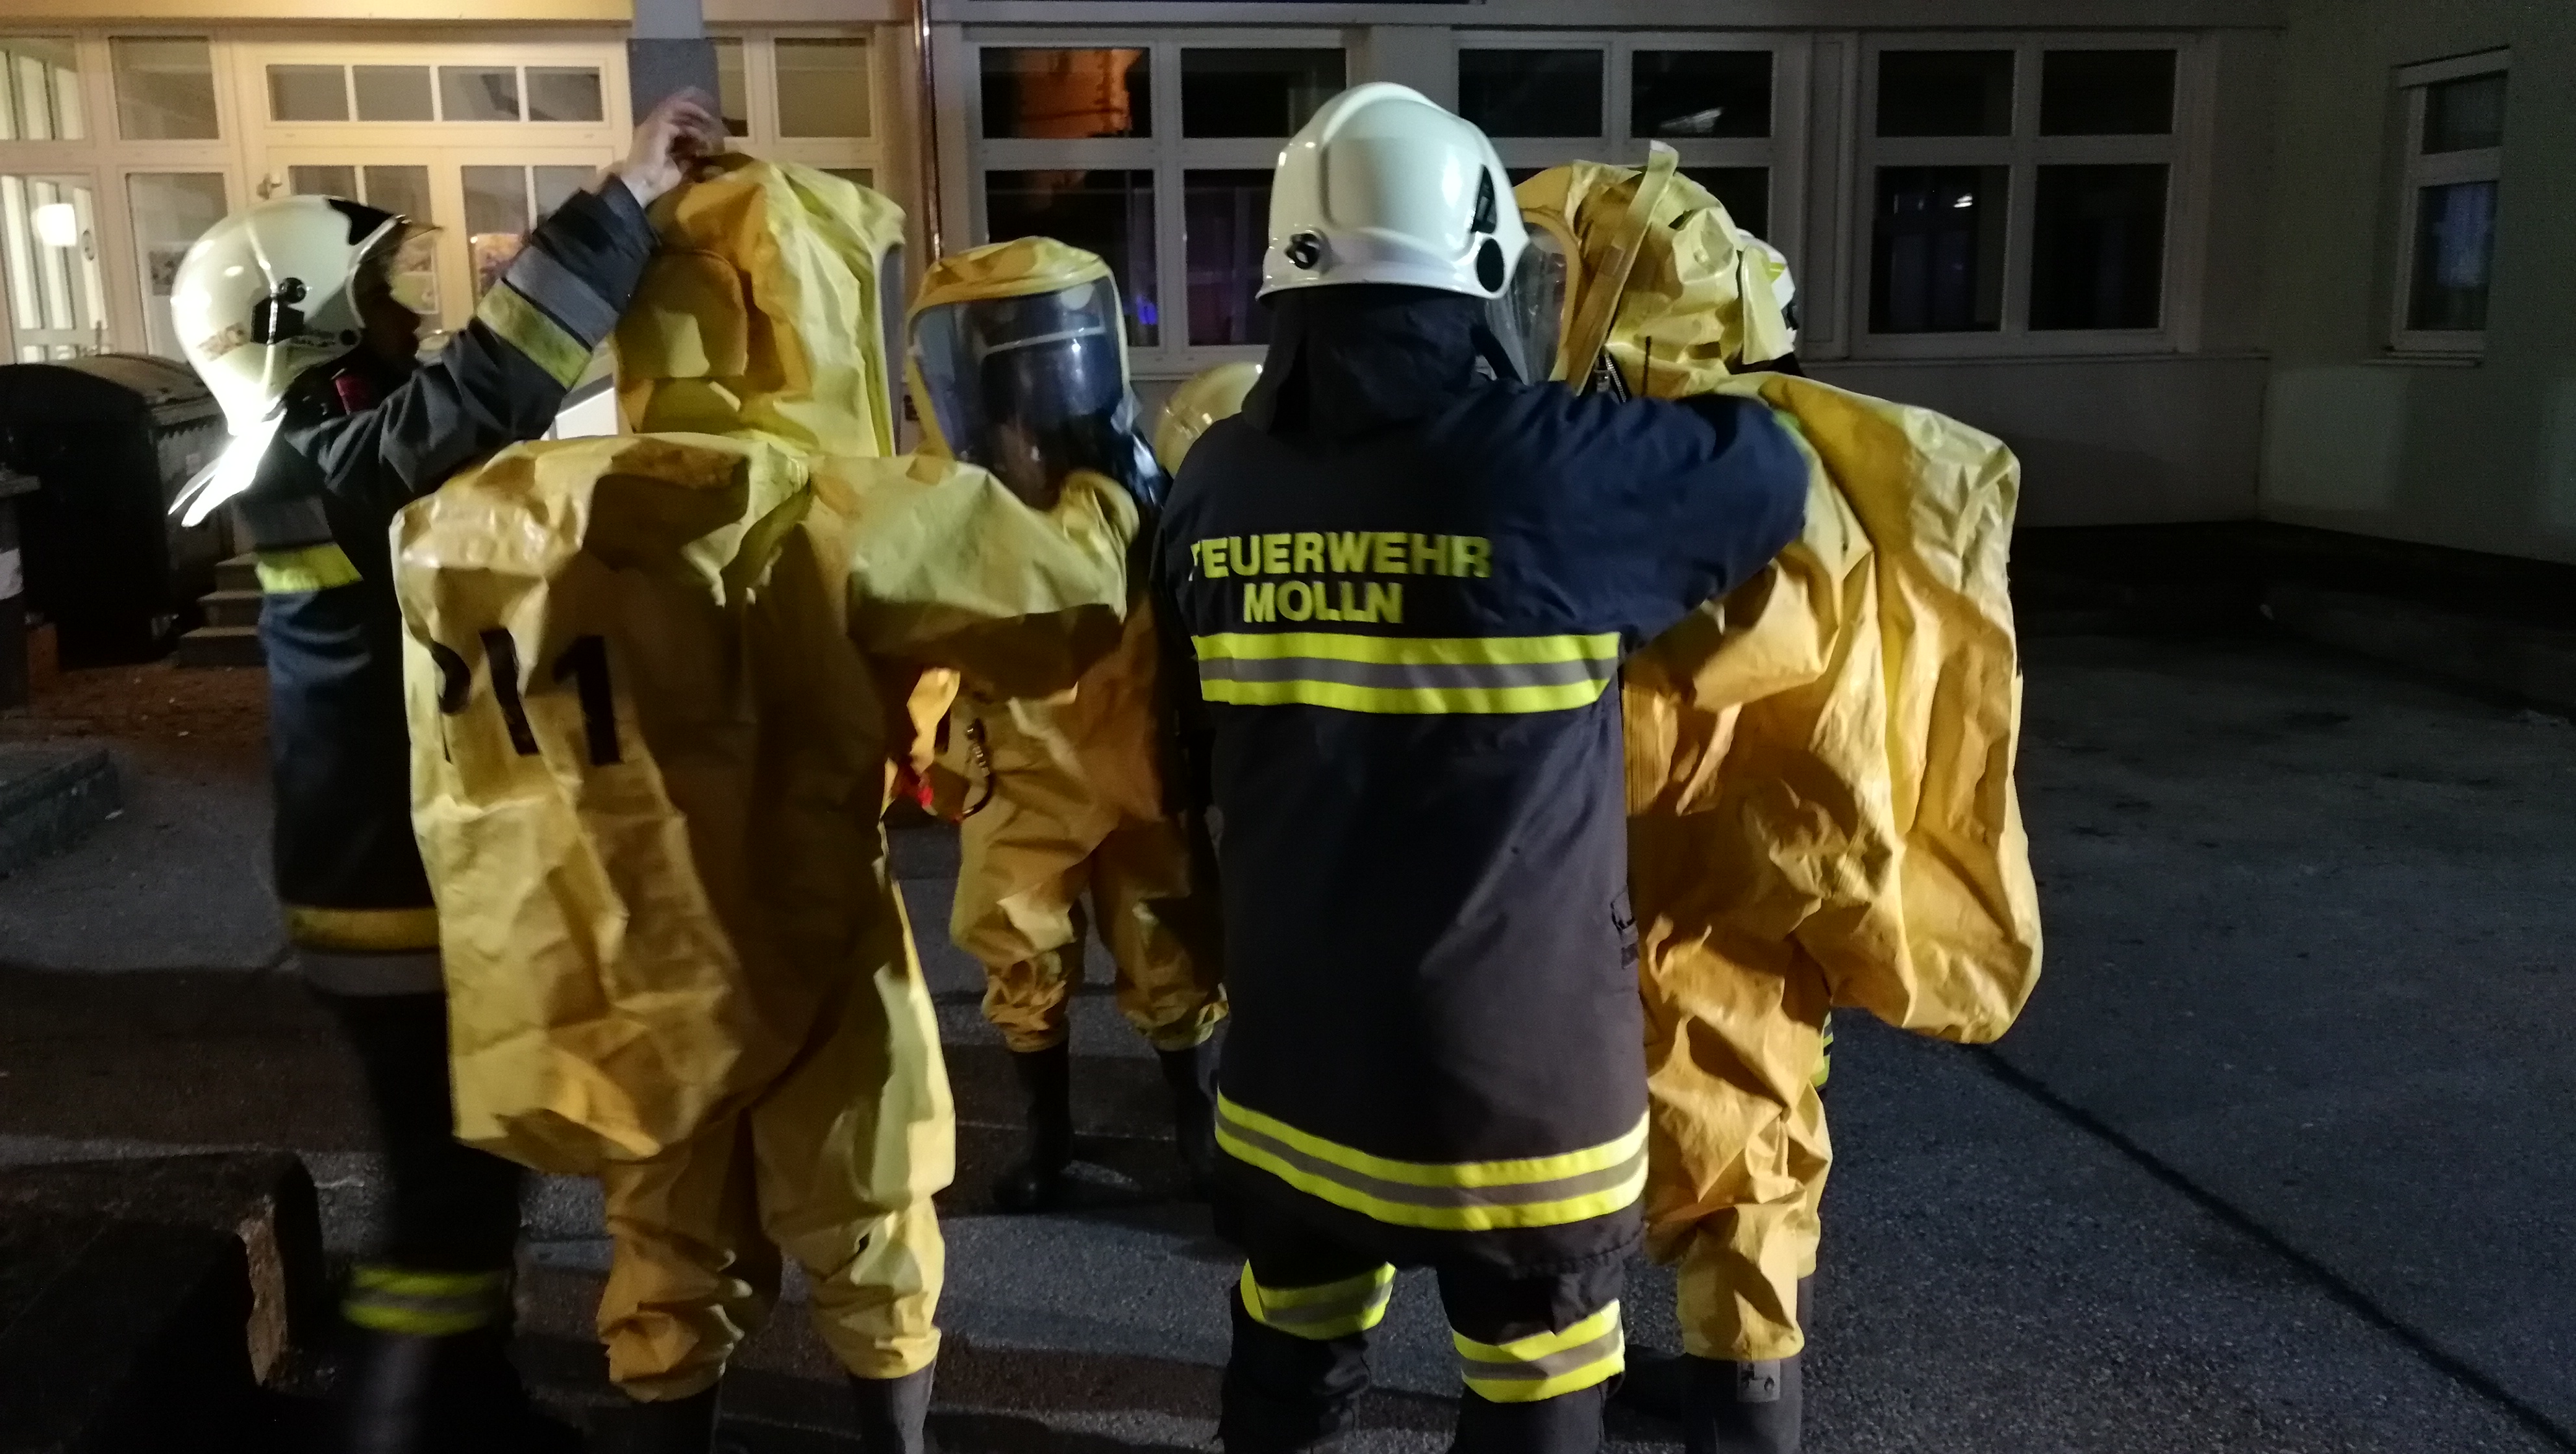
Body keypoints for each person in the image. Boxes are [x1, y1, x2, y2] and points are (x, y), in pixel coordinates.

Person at [1156, 84, 1809, 1454]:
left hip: (1292, 1065)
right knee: (1535, 1368)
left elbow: (1178, 749)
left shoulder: (1214, 485)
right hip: (1514, 1090)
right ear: (1480, 273)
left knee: (1291, 1329)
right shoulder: (1547, 472)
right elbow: (1765, 468)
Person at [167, 93, 723, 1452]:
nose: (408, 317)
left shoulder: (313, 457)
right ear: (302, 328)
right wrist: (621, 201)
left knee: (468, 1179)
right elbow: (478, 397)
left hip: (380, 880)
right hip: (385, 898)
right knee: (443, 1197)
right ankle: (410, 1423)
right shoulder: (321, 461)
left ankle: (467, 1400)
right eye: (376, 299)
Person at [1510, 154, 2042, 1454]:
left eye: (1546, 287)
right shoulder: (1747, 450)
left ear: (1612, 301)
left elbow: (1683, 703)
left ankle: (1738, 1402)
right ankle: (1728, 1384)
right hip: (1739, 873)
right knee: (1737, 1123)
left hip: (1702, 874)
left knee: (1717, 1128)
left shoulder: (1703, 472)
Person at [909, 239, 1229, 1211]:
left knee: (1166, 942)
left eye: (1055, 364)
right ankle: (1051, 1138)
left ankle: (1195, 1124)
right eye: (1021, 374)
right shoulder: (964, 499)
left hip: (1130, 762)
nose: (1042, 394)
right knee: (1021, 950)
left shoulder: (1121, 491)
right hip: (1024, 770)